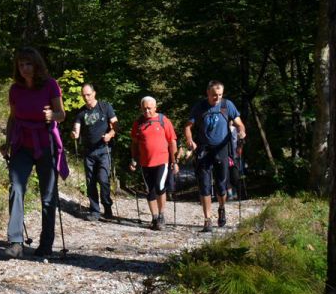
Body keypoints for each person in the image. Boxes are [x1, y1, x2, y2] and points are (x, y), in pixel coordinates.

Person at [1, 48, 68, 259]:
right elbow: (12, 117)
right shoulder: (15, 89)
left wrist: (52, 114)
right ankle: (15, 241)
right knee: (16, 187)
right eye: (21, 65)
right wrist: (7, 141)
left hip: (45, 142)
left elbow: (62, 115)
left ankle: (46, 242)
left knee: (48, 195)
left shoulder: (50, 85)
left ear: (36, 65)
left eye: (28, 64)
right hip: (22, 143)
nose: (24, 69)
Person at [183, 80, 247, 232]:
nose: (217, 98)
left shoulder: (227, 105)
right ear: (208, 93)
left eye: (219, 95)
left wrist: (241, 131)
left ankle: (222, 208)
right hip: (204, 149)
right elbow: (188, 126)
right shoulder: (199, 107)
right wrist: (190, 140)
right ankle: (207, 219)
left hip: (222, 149)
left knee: (221, 185)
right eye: (214, 95)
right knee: (204, 185)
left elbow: (239, 122)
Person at [129, 96, 178, 230]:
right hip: (145, 163)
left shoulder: (163, 120)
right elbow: (134, 143)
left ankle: (162, 215)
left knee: (160, 187)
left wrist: (174, 161)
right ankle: (155, 218)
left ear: (155, 108)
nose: (147, 111)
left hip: (162, 161)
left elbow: (172, 141)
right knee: (149, 190)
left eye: (149, 108)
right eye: (144, 108)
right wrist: (133, 159)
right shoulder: (138, 123)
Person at [71, 83, 118, 221]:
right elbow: (76, 130)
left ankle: (107, 207)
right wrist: (74, 134)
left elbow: (116, 125)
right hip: (89, 152)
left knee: (103, 180)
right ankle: (94, 210)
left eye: (88, 95)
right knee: (90, 182)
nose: (86, 98)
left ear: (94, 93)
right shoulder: (81, 112)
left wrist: (110, 134)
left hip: (104, 150)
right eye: (83, 95)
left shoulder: (105, 107)